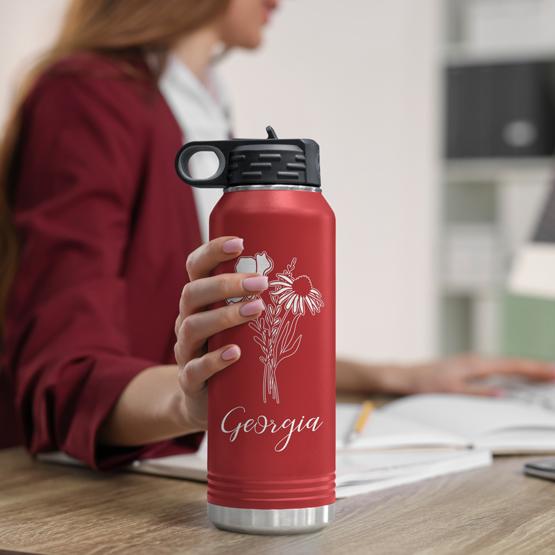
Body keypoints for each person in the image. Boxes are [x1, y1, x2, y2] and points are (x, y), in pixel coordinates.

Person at [1, 0, 554, 466]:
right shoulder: (86, 96)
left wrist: (394, 375)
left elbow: (211, 350)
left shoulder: (202, 106)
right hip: (77, 503)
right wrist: (193, 406)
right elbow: (63, 376)